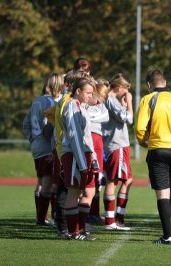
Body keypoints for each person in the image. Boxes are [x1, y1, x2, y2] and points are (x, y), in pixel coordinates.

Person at [134, 68, 171, 245]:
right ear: (165, 82)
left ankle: (167, 236)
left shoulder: (148, 99)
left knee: (162, 193)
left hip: (158, 149)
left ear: (149, 85)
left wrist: (144, 143)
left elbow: (140, 129)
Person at [22, 73, 63, 225]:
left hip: (37, 147)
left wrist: (33, 139)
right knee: (49, 182)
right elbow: (48, 126)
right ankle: (45, 218)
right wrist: (51, 143)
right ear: (57, 86)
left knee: (40, 181)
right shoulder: (49, 102)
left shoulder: (36, 101)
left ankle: (42, 217)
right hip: (46, 147)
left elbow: (26, 124)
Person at [61, 77, 97, 240]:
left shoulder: (81, 107)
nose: (90, 96)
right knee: (74, 192)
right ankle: (73, 232)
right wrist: (82, 163)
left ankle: (81, 229)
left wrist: (93, 156)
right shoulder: (71, 107)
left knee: (88, 190)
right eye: (88, 92)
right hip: (75, 155)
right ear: (78, 91)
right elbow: (74, 137)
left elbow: (86, 136)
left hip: (84, 154)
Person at [102, 74, 133, 230]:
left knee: (126, 180)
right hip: (117, 144)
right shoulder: (111, 100)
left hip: (118, 144)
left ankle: (118, 219)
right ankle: (111, 221)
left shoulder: (113, 100)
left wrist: (122, 103)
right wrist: (129, 103)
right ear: (119, 87)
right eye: (126, 88)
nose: (127, 91)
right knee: (113, 182)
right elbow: (128, 118)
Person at [86, 81, 109, 225]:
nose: (101, 102)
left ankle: (94, 213)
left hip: (98, 142)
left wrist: (91, 117)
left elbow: (105, 116)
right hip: (90, 140)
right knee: (88, 179)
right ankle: (86, 215)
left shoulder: (101, 107)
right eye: (100, 98)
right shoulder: (84, 105)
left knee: (98, 179)